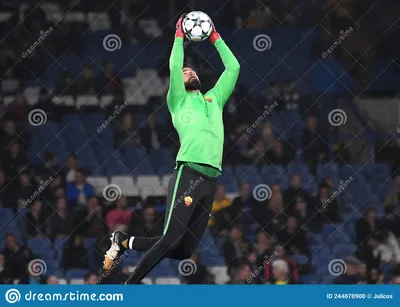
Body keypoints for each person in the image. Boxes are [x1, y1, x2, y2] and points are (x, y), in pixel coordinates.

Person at [103, 14, 240, 285]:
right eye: (184, 72)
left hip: (211, 179)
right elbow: (175, 63)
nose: (189, 71)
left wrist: (214, 37)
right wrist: (179, 36)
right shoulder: (177, 100)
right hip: (188, 174)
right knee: (169, 239)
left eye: (192, 70)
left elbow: (233, 67)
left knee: (184, 250)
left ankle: (123, 241)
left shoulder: (214, 99)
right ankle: (129, 287)